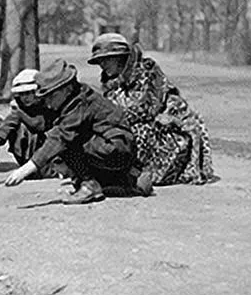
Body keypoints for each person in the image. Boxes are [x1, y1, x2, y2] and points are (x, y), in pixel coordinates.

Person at [1, 59, 151, 204]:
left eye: (51, 96)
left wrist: (26, 169)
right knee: (68, 139)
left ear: (66, 89)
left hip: (116, 149)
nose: (48, 102)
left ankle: (89, 185)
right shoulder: (75, 96)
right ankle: (127, 180)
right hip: (113, 148)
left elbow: (59, 138)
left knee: (66, 142)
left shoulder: (80, 103)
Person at [87, 32, 216, 185]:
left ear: (119, 57)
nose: (102, 65)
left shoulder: (146, 72)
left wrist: (106, 119)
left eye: (106, 59)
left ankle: (137, 174)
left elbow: (145, 110)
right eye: (99, 61)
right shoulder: (111, 82)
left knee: (128, 135)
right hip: (141, 126)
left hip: (170, 132)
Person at [0, 69, 56, 179]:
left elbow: (40, 125)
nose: (25, 97)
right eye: (21, 94)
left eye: (28, 93)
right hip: (31, 151)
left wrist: (20, 113)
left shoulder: (48, 104)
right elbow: (8, 124)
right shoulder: (19, 107)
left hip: (50, 150)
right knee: (19, 129)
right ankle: (28, 164)